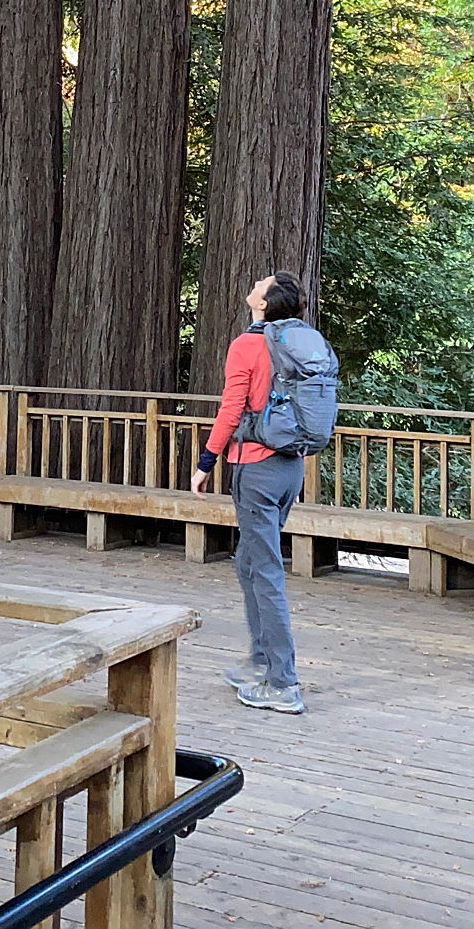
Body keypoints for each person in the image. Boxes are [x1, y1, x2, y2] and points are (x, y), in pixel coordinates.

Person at [190, 272, 310, 715]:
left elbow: (232, 406)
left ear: (264, 303)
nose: (255, 283)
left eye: (262, 284)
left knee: (266, 569)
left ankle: (283, 683)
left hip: (256, 466)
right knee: (249, 562)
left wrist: (206, 461)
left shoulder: (247, 345)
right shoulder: (300, 341)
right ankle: (261, 659)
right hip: (290, 467)